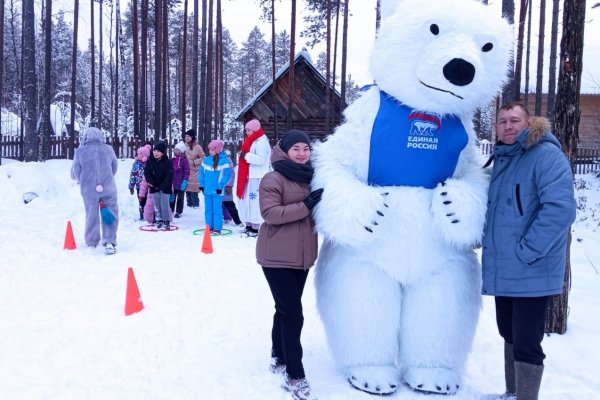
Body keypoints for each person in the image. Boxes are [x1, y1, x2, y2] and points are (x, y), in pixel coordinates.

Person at [481, 102, 576, 400]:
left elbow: (560, 210)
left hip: (532, 268)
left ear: (528, 123)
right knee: (508, 333)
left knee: (526, 342)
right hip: (507, 268)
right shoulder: (503, 161)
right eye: (502, 121)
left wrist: (528, 251)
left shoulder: (545, 156)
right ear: (495, 127)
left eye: (514, 120)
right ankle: (512, 393)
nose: (508, 126)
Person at [256, 130, 323, 400]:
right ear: (285, 150)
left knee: (283, 308)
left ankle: (278, 354)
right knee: (293, 313)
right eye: (296, 148)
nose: (302, 153)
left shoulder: (314, 178)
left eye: (305, 149)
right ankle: (295, 374)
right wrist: (306, 205)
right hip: (276, 257)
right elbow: (270, 214)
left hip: (303, 258)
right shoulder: (273, 178)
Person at [70, 127, 119, 255]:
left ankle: (92, 241)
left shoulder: (80, 151)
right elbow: (114, 167)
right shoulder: (108, 149)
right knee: (110, 213)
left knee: (91, 214)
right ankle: (110, 241)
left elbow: (76, 171)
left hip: (89, 189)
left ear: (85, 137)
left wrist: (84, 181)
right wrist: (107, 178)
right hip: (108, 188)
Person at [236, 118, 272, 237]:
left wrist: (246, 155)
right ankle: (249, 224)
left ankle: (256, 226)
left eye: (249, 130)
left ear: (255, 129)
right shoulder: (251, 140)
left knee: (254, 202)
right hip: (249, 176)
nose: (247, 132)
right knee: (247, 201)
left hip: (257, 176)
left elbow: (261, 159)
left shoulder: (261, 142)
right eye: (246, 130)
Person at [199, 139, 232, 235]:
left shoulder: (224, 161)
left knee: (217, 210)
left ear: (217, 150)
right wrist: (201, 185)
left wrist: (220, 186)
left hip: (218, 191)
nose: (210, 151)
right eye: (209, 149)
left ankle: (217, 228)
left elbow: (227, 175)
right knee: (208, 209)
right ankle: (209, 227)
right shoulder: (206, 160)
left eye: (212, 149)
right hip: (207, 190)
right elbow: (201, 173)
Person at [144, 141, 174, 231]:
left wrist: (161, 186)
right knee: (156, 205)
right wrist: (151, 182)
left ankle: (166, 221)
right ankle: (159, 220)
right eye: (154, 151)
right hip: (153, 187)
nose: (156, 153)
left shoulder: (168, 162)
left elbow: (169, 175)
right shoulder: (150, 161)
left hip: (165, 188)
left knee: (164, 205)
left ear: (163, 152)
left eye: (158, 151)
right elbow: (147, 173)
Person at [183, 129, 206, 209]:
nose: (186, 138)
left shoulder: (197, 147)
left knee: (193, 190)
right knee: (187, 190)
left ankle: (196, 207)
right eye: (185, 136)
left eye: (188, 136)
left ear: (192, 137)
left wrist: (194, 162)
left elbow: (204, 158)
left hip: (194, 172)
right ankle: (189, 206)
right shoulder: (185, 146)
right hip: (186, 171)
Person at [128, 145, 151, 220]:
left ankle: (149, 215)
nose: (139, 155)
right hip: (138, 186)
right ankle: (142, 214)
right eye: (138, 153)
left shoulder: (149, 164)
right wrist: (131, 186)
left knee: (148, 201)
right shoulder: (136, 164)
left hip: (148, 186)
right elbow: (133, 175)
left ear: (145, 155)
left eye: (141, 154)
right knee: (141, 201)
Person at [222, 149, 243, 226]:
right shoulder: (216, 159)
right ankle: (223, 218)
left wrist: (229, 185)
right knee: (219, 204)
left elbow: (231, 174)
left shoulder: (227, 160)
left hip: (225, 187)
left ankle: (237, 221)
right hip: (218, 187)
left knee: (229, 204)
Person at [170, 141, 190, 218]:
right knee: (172, 197)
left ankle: (179, 211)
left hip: (181, 183)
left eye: (177, 149)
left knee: (180, 198)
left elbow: (187, 171)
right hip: (173, 183)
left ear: (181, 151)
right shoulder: (172, 160)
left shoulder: (184, 160)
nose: (176, 151)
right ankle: (171, 210)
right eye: (175, 149)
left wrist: (185, 181)